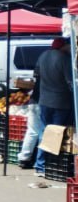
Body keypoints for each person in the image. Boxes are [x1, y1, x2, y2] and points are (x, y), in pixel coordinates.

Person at [34, 36, 73, 176]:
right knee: (56, 133)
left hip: (44, 100)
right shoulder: (64, 59)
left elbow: (36, 73)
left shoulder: (43, 55)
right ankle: (52, 165)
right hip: (60, 101)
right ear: (63, 46)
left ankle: (40, 165)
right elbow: (70, 82)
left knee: (44, 131)